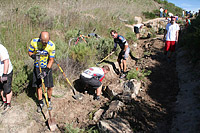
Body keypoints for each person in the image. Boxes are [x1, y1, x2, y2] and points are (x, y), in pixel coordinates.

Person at [28, 31, 55, 112]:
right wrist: (33, 56)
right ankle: (40, 102)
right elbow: (30, 52)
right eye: (43, 42)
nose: (44, 44)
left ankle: (49, 100)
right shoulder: (34, 42)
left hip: (46, 67)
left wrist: (46, 71)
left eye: (46, 42)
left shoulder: (51, 45)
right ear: (40, 39)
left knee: (49, 85)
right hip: (37, 66)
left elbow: (51, 60)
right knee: (38, 86)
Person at [0, 44, 13, 111]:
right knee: (1, 88)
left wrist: (4, 74)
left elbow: (6, 62)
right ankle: (4, 101)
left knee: (7, 89)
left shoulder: (1, 49)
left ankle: (8, 103)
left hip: (5, 72)